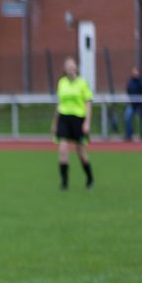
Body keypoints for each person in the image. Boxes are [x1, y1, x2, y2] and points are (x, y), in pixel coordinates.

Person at [51, 57, 93, 190]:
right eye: (67, 65)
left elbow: (88, 103)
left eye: (72, 65)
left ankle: (90, 178)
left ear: (76, 67)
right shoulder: (61, 83)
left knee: (81, 152)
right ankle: (64, 183)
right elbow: (59, 104)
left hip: (78, 119)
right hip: (64, 118)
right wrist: (55, 122)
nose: (70, 68)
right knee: (63, 149)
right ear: (64, 69)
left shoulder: (82, 83)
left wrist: (87, 122)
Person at [123, 67, 142, 142]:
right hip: (132, 104)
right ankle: (129, 135)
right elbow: (128, 91)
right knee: (127, 117)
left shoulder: (141, 81)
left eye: (136, 72)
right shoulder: (130, 82)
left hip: (141, 105)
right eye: (134, 72)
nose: (135, 73)